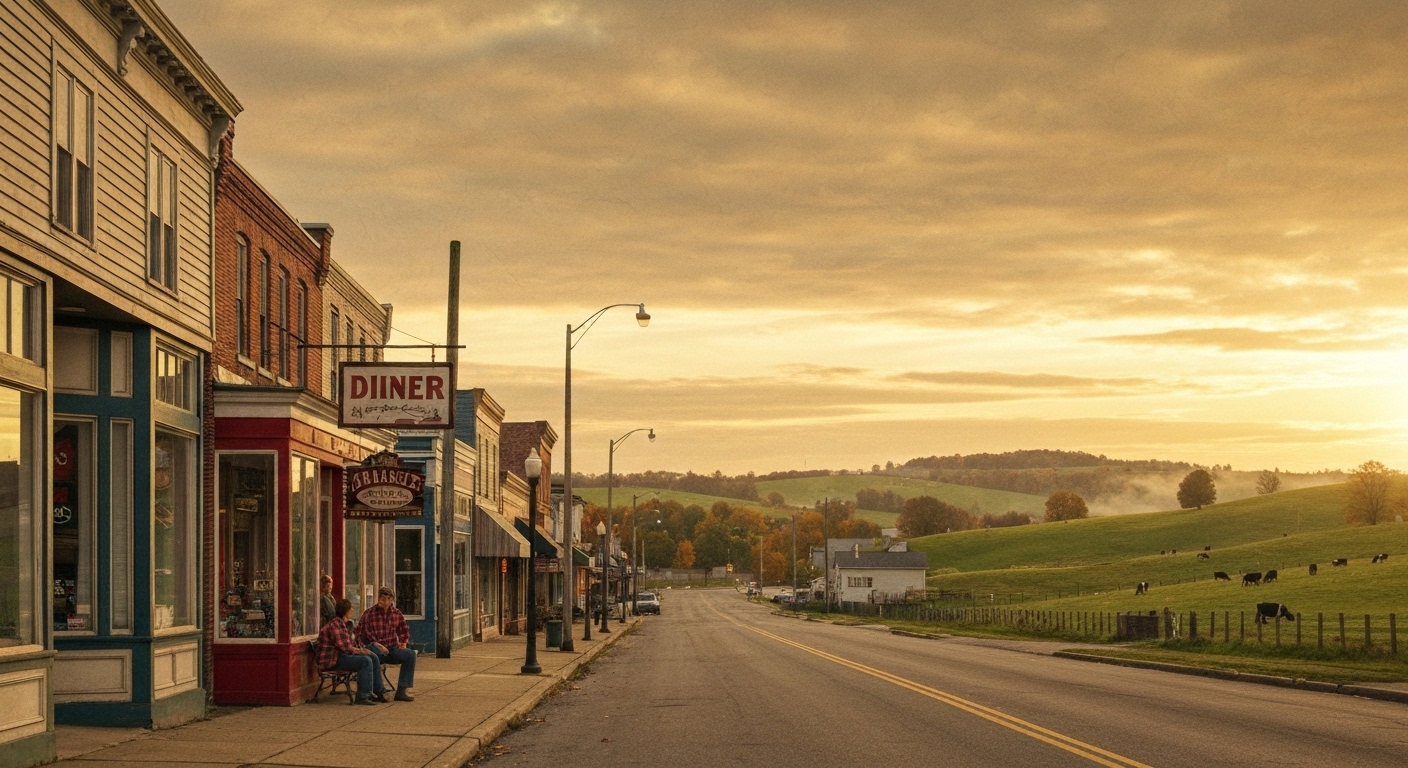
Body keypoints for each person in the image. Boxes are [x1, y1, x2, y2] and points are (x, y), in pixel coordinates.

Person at [315, 599, 385, 705]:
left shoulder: (343, 624)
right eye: (350, 609)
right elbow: (346, 648)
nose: (352, 610)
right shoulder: (335, 626)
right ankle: (363, 696)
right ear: (346, 611)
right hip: (331, 660)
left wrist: (363, 649)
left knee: (373, 657)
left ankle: (378, 692)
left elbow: (349, 645)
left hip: (339, 656)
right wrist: (361, 651)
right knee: (365, 661)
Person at [357, 586, 416, 701]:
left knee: (410, 654)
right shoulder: (369, 613)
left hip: (392, 648)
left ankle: (402, 690)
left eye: (387, 599)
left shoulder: (396, 613)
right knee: (373, 656)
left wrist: (403, 641)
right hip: (376, 648)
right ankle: (379, 691)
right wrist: (375, 643)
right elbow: (361, 632)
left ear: (391, 600)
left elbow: (404, 629)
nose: (384, 602)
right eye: (382, 599)